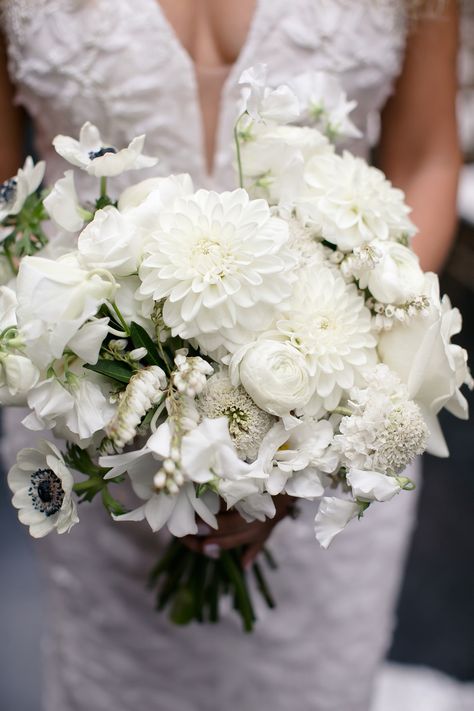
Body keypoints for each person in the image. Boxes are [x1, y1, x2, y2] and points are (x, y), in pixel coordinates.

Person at [0, 1, 460, 710]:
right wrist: (92, 368)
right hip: (93, 421)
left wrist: (313, 418)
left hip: (335, 412)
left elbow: (424, 156)